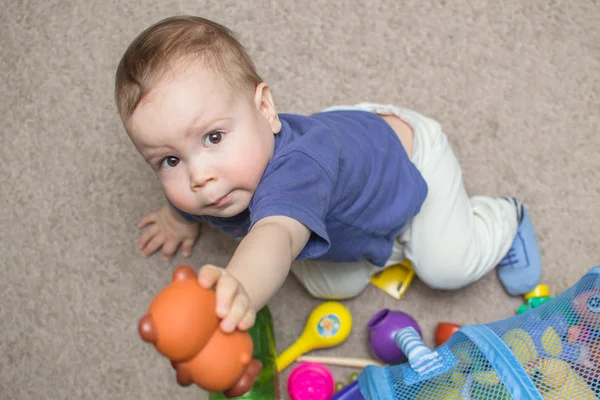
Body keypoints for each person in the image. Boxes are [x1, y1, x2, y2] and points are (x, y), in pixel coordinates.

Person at [114, 15, 542, 333]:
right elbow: (184, 190)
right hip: (344, 171)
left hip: (407, 160)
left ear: (266, 109)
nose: (198, 177)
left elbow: (276, 235)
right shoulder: (208, 180)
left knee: (446, 266)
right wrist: (177, 217)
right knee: (331, 285)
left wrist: (241, 283)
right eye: (169, 160)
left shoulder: (297, 170)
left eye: (213, 137)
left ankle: (507, 218)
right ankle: (382, 244)